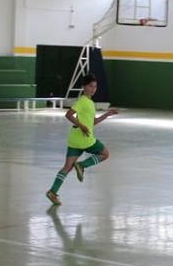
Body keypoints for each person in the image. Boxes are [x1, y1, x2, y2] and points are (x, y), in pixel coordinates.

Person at [45, 75, 119, 206]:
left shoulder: (89, 103)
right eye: (90, 86)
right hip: (85, 139)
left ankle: (52, 192)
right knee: (105, 154)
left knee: (67, 167)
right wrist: (82, 126)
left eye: (95, 86)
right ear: (84, 87)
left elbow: (93, 122)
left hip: (74, 139)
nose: (93, 89)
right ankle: (82, 165)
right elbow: (68, 114)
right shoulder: (83, 101)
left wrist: (106, 114)